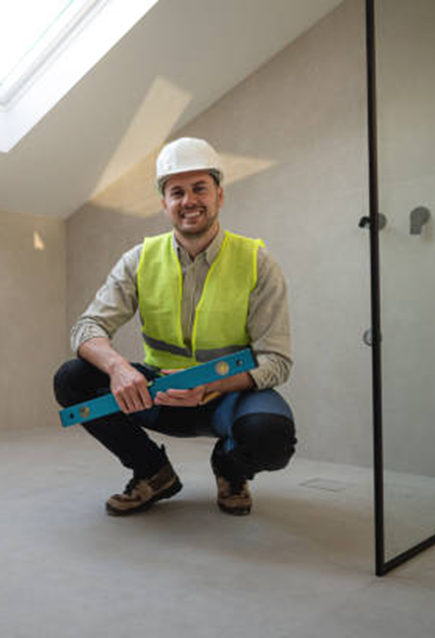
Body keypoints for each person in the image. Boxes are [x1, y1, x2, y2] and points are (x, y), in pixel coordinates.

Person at [53, 137, 295, 516]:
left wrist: (210, 384)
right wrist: (119, 369)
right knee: (72, 378)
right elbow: (87, 328)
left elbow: (276, 360)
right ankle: (153, 473)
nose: (189, 201)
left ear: (219, 195)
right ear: (164, 203)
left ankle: (230, 470)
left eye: (199, 188)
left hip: (226, 398)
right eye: (176, 192)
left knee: (272, 436)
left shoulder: (257, 262)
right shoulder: (139, 259)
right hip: (158, 395)